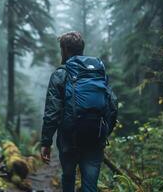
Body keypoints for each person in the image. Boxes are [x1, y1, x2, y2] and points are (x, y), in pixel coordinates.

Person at [40, 31, 117, 192]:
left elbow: (52, 112)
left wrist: (46, 142)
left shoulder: (60, 74)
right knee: (90, 185)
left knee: (68, 176)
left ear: (65, 49)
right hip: (95, 137)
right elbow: (113, 105)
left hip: (69, 138)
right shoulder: (98, 72)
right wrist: (104, 131)